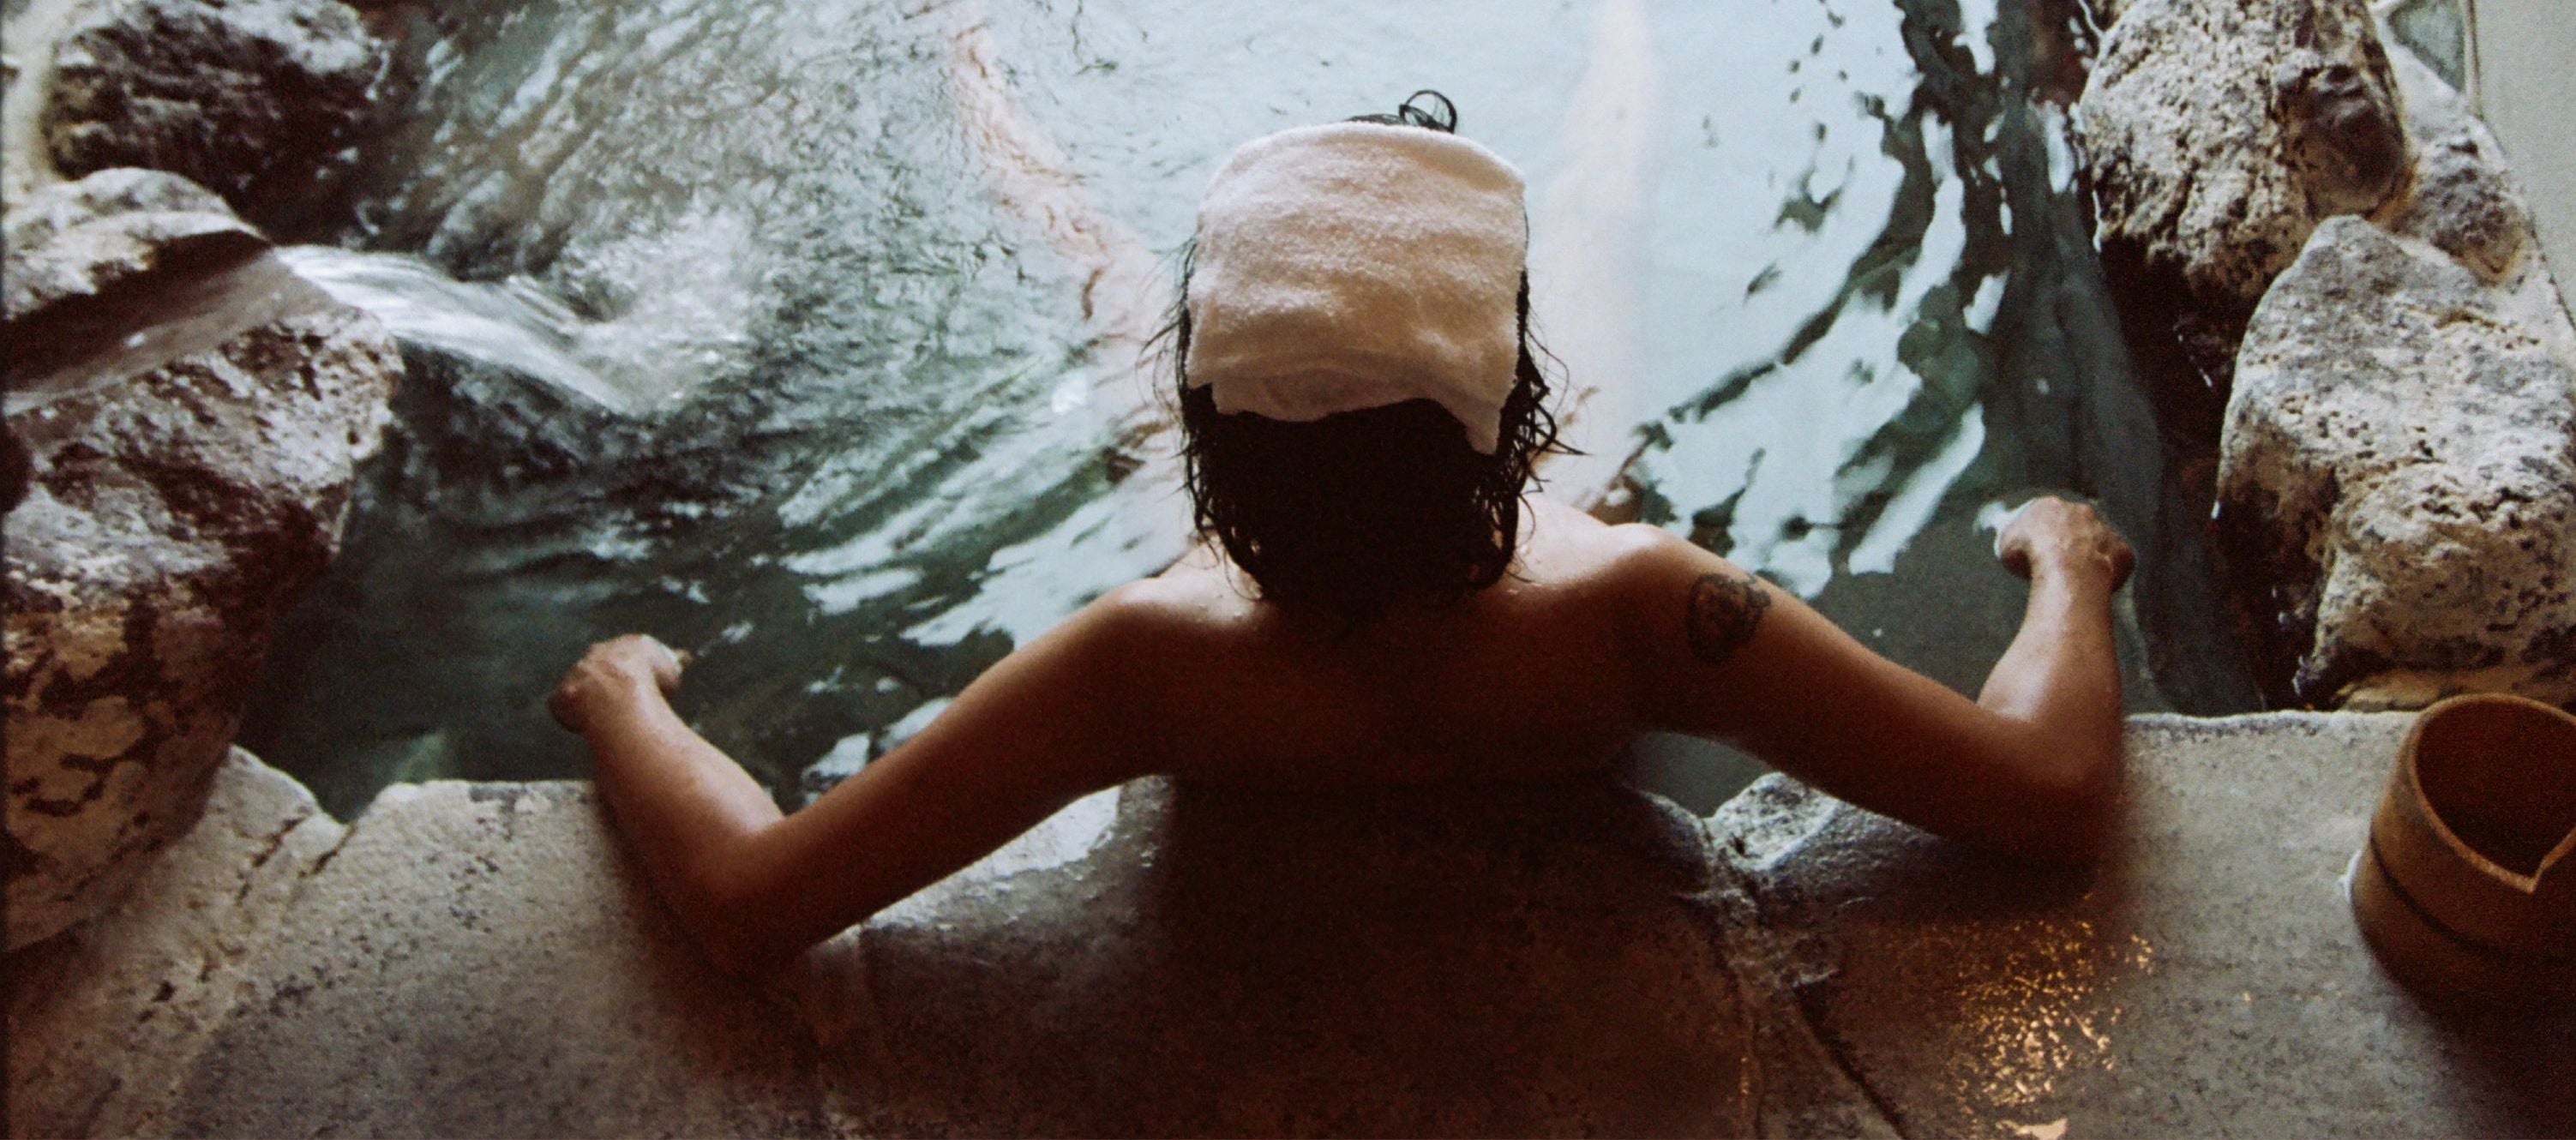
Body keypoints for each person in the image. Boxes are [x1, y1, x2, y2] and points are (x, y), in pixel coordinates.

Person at [549, 93, 2135, 977]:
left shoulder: (1139, 663)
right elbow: (2048, 791)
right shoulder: (1646, 607)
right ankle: (1626, 57)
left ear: (1205, 443)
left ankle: (979, 85)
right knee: (1598, 232)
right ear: (1512, 417)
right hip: (1529, 604)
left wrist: (622, 697)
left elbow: (749, 897)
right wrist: (2066, 569)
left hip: (1241, 625)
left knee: (1098, 267)